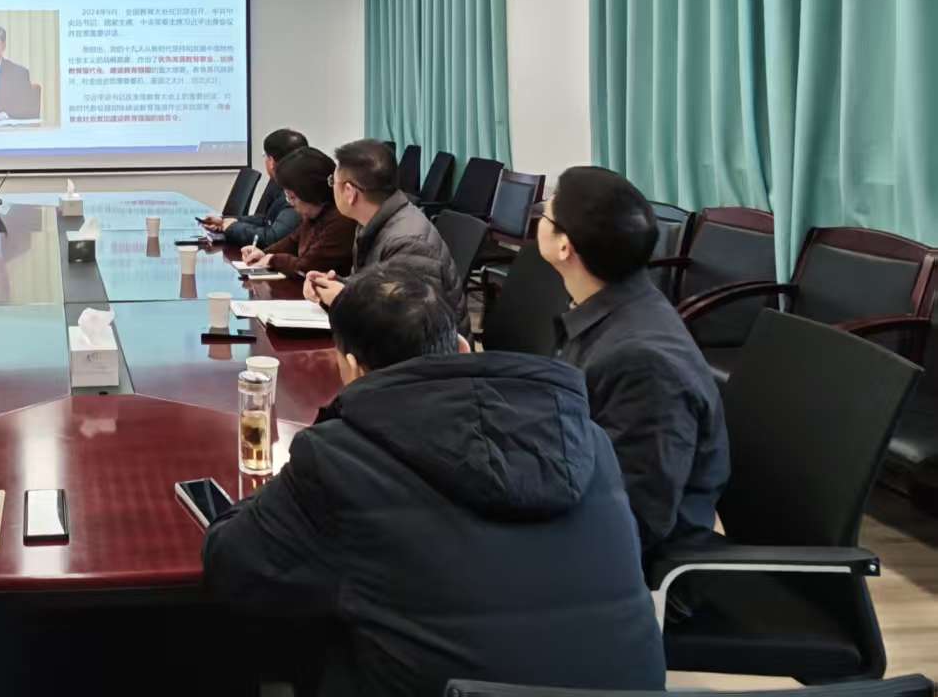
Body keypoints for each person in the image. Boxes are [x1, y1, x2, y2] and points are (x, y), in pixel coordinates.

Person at [201, 265, 666, 697]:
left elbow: (233, 563)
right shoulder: (585, 439)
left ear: (352, 369)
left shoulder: (338, 459)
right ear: (462, 347)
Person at [542, 165, 729, 568]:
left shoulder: (644, 364)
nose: (540, 215)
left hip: (636, 571)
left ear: (564, 247)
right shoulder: (615, 309)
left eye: (546, 213)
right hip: (577, 497)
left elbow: (635, 519)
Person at [303, 138, 459, 318]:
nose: (332, 188)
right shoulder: (372, 221)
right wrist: (330, 285)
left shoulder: (408, 242)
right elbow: (375, 288)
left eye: (333, 181)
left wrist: (343, 298)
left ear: (350, 192)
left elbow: (410, 319)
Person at [238, 146, 356, 279]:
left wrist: (272, 260)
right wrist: (263, 254)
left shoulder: (341, 221)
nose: (290, 203)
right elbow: (292, 241)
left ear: (310, 193)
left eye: (292, 197)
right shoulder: (314, 215)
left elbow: (307, 267)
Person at [202, 128, 308, 247]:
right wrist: (227, 221)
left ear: (271, 162)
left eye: (265, 156)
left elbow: (272, 239)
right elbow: (267, 220)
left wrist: (232, 227)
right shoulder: (280, 183)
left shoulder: (297, 192)